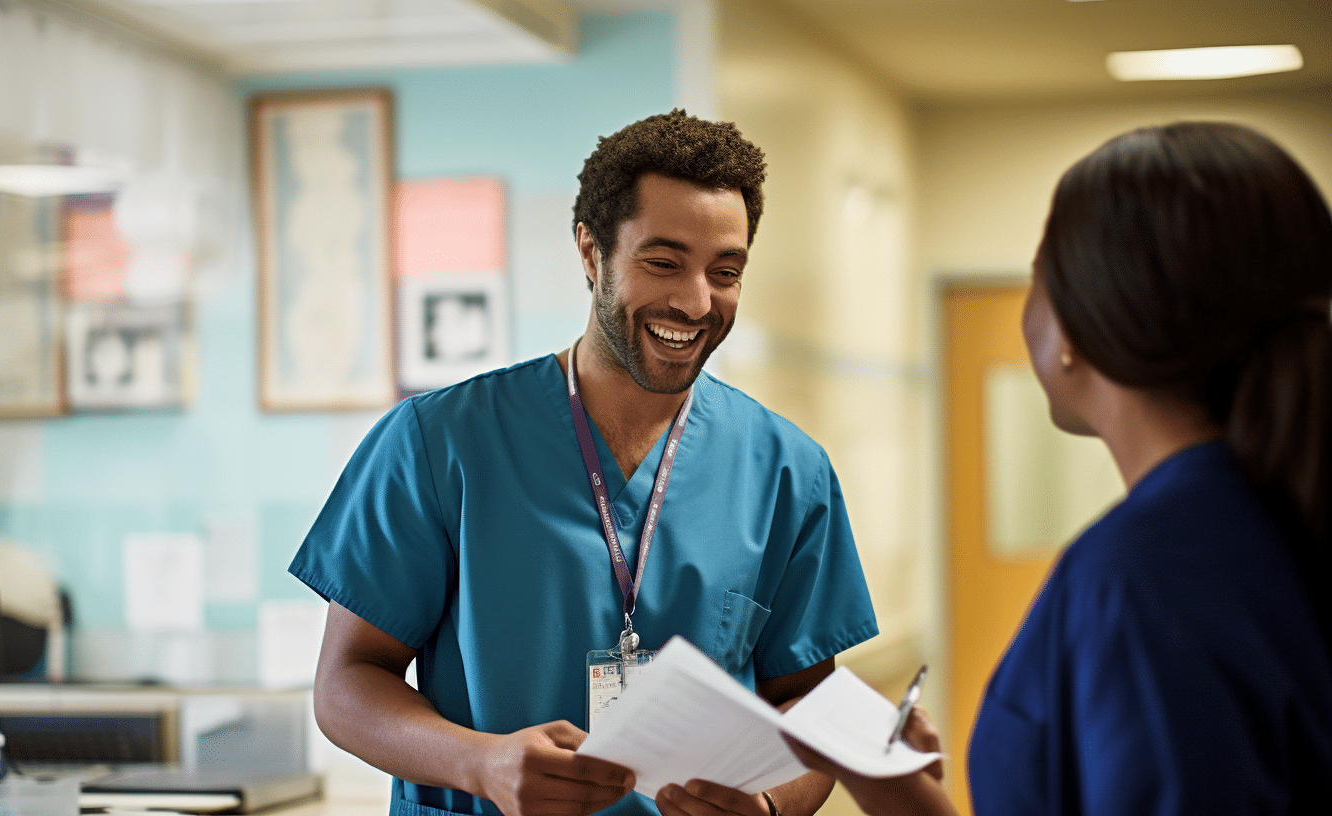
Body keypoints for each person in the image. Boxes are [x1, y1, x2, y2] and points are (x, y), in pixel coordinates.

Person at [289, 109, 879, 816]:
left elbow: (811, 703)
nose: (696, 302)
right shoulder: (440, 443)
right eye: (663, 262)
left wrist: (772, 808)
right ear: (591, 252)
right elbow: (347, 681)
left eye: (725, 271)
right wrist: (480, 764)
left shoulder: (788, 472)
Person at [786, 121, 1332, 814]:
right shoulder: (1271, 521)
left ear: (1075, 330)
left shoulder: (1140, 579)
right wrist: (897, 794)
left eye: (1039, 279)